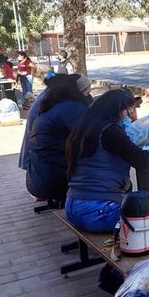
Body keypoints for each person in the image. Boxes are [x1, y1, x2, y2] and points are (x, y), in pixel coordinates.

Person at [65, 89, 149, 234]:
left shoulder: (85, 127)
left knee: (140, 214)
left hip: (72, 204)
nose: (130, 115)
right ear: (120, 110)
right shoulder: (110, 131)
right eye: (129, 110)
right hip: (97, 210)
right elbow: (142, 160)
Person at [25, 74, 90, 202]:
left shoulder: (52, 104)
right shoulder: (70, 107)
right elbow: (91, 134)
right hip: (53, 182)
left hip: (38, 178)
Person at [18, 72, 92, 171]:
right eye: (86, 92)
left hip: (39, 160)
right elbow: (84, 132)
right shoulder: (59, 104)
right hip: (42, 163)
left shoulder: (49, 97)